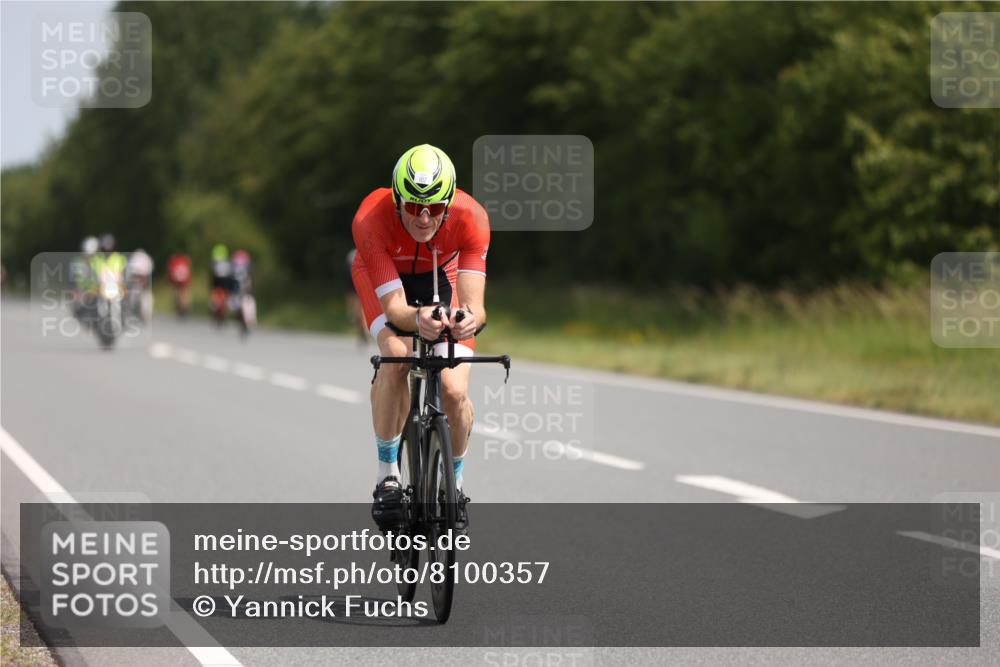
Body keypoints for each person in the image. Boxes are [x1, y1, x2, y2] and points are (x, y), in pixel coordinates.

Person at [351, 144, 489, 533]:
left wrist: (465, 322)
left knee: (454, 389)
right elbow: (395, 310)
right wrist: (417, 320)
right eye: (412, 207)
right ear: (397, 200)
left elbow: (477, 308)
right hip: (384, 276)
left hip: (440, 273)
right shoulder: (369, 219)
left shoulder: (472, 217)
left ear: (450, 201)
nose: (424, 217)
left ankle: (455, 483)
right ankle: (387, 475)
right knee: (397, 356)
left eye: (434, 208)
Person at [345, 249, 368, 346]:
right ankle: (362, 334)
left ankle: (365, 333)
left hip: (364, 287)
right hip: (354, 288)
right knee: (357, 315)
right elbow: (347, 277)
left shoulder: (367, 253)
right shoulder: (352, 255)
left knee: (361, 313)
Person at [126, 248, 154, 322]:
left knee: (146, 297)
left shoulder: (143, 260)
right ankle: (132, 312)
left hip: (144, 281)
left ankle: (145, 314)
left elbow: (147, 274)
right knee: (132, 296)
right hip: (136, 282)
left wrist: (143, 281)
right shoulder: (138, 259)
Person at [166, 253, 193, 317]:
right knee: (185, 291)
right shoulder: (184, 260)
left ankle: (179, 303)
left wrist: (170, 280)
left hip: (177, 278)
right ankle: (185, 304)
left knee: (176, 291)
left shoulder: (174, 262)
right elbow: (188, 270)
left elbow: (170, 271)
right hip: (184, 278)